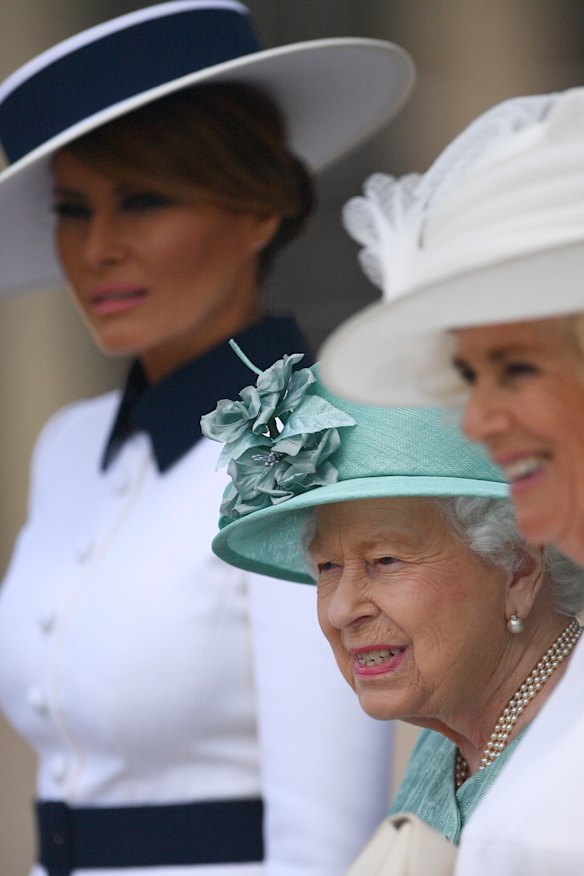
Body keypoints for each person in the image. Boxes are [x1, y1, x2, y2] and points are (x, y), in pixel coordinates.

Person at [0, 3, 416, 875]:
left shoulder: (309, 444)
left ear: (258, 211)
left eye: (143, 200)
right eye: (72, 210)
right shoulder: (69, 446)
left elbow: (326, 837)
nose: (97, 248)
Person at [316, 87, 584, 874]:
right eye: (470, 376)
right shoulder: (442, 757)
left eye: (516, 368)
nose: (476, 420)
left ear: (519, 569)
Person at [200, 347, 584, 873]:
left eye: (385, 559)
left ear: (517, 565)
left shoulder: (569, 749)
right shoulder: (446, 747)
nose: (341, 610)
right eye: (328, 567)